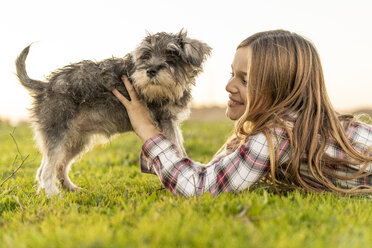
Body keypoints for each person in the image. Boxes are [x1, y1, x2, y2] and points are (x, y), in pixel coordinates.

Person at [112, 30, 372, 196]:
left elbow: (199, 187)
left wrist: (147, 130)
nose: (228, 86)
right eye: (231, 74)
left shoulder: (277, 135)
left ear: (280, 91)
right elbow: (217, 171)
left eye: (244, 81)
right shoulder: (285, 127)